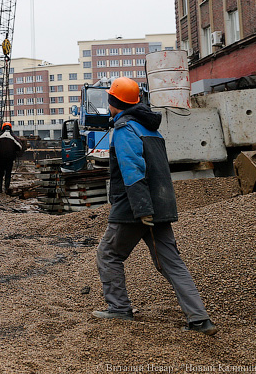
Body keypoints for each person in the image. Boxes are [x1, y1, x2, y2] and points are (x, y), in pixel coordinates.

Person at [93, 77, 217, 335]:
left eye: (109, 100)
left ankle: (119, 308)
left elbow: (132, 170)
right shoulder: (150, 129)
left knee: (108, 254)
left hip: (134, 207)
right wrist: (153, 208)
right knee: (171, 263)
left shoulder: (125, 129)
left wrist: (142, 209)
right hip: (160, 206)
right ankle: (199, 319)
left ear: (114, 102)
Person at [0, 122, 27, 194]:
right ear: (11, 128)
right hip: (10, 158)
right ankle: (6, 188)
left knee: (0, 173)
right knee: (8, 173)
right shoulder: (13, 137)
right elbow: (20, 147)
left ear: (2, 128)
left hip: (1, 158)